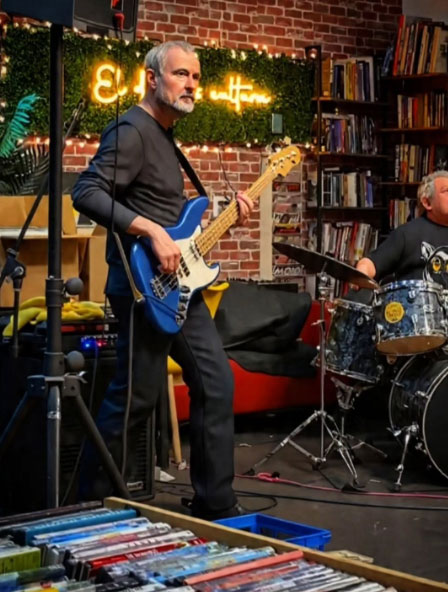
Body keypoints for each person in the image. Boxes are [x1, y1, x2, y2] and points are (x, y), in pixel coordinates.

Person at [72, 40, 254, 520]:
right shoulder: (131, 130)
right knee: (136, 398)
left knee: (216, 382)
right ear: (152, 78)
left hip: (181, 288)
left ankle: (217, 502)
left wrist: (227, 220)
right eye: (180, 74)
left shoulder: (165, 136)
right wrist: (151, 231)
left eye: (195, 77)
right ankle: (91, 503)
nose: (191, 84)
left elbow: (180, 229)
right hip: (142, 289)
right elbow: (85, 191)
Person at [356, 171, 448, 287]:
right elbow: (372, 263)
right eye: (446, 191)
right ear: (427, 202)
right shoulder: (408, 233)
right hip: (417, 297)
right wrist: (362, 271)